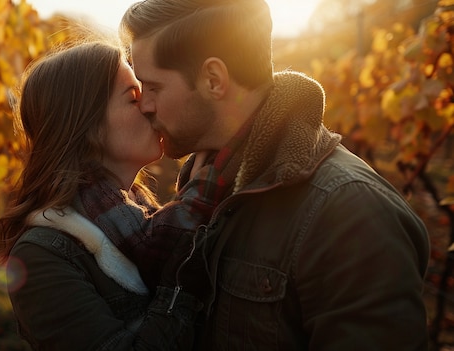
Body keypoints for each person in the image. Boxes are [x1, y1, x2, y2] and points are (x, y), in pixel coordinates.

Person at [118, 0, 431, 349]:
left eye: (155, 87)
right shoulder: (205, 188)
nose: (144, 104)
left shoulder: (350, 213)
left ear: (213, 80)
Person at [0, 39, 233, 350]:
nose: (149, 105)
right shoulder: (42, 255)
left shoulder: (146, 220)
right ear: (88, 126)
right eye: (133, 98)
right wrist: (185, 269)